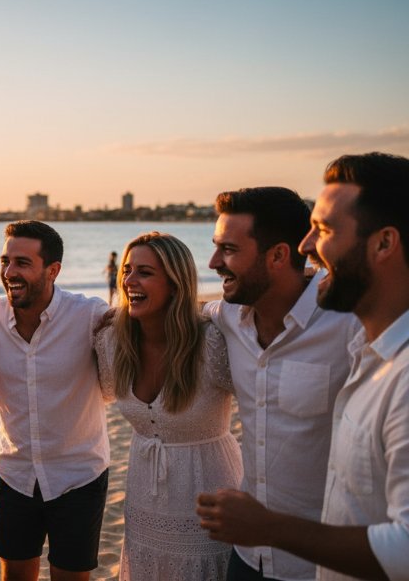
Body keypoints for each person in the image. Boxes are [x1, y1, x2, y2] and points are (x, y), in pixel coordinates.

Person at [198, 152, 409, 581]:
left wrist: (269, 527)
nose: (307, 247)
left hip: (310, 565)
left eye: (325, 230)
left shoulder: (364, 341)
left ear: (384, 243)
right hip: (247, 558)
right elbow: (192, 308)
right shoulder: (231, 319)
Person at [203, 186, 360, 581]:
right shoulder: (227, 317)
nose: (213, 262)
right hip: (246, 557)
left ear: (277, 255)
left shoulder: (348, 322)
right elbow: (183, 312)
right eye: (216, 247)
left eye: (229, 250)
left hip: (320, 564)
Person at [94, 232, 241, 579]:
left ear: (175, 284)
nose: (129, 280)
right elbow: (91, 392)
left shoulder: (212, 342)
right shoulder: (113, 342)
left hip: (209, 498)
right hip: (144, 498)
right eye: (127, 270)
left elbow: (264, 403)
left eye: (144, 272)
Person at [0, 220, 110, 581]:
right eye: (5, 261)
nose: (9, 272)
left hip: (79, 476)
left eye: (22, 263)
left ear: (53, 270)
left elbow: (117, 380)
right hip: (14, 473)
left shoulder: (89, 315)